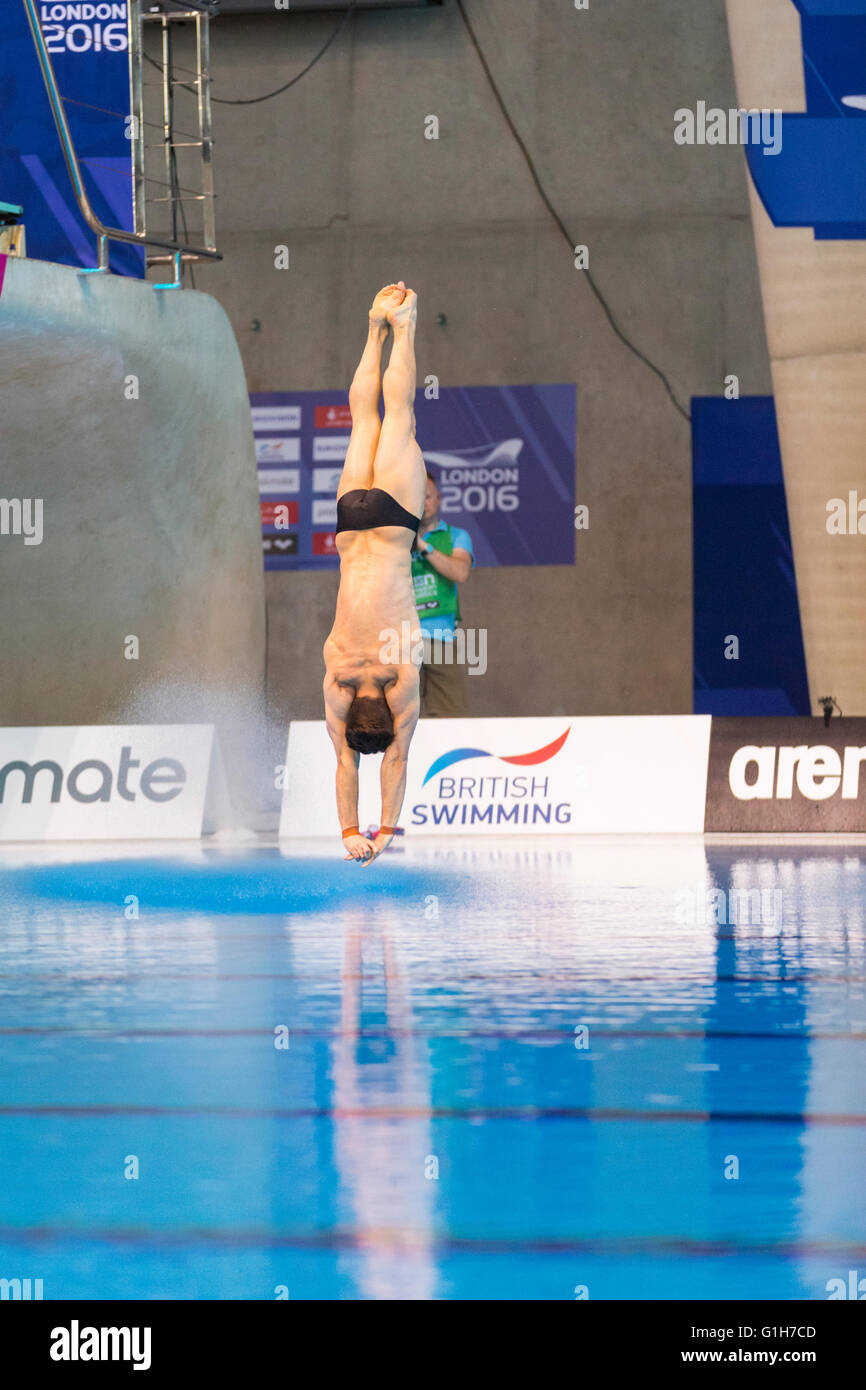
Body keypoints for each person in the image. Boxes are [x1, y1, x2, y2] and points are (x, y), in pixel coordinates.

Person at [322, 282, 425, 865]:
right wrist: (347, 831)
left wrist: (382, 832)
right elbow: (342, 757)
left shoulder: (397, 672)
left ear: (385, 713)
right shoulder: (335, 673)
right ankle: (372, 328)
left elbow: (396, 758)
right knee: (363, 421)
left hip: (390, 531)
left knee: (400, 415)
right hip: (350, 528)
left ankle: (403, 326)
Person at [412, 470, 474, 716]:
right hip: (400, 640)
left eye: (427, 496)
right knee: (398, 720)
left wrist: (422, 545)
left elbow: (460, 572)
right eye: (416, 497)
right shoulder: (396, 539)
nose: (423, 503)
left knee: (452, 719)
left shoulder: (457, 536)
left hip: (442, 636)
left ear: (438, 499)